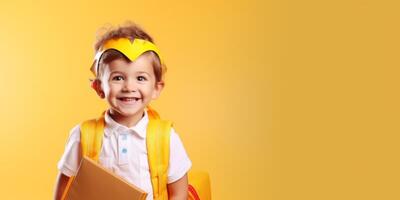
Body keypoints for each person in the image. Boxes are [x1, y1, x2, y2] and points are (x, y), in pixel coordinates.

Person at [54, 22, 192, 200]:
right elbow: (65, 187)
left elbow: (179, 192)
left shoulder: (166, 137)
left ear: (157, 88)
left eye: (140, 78)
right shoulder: (83, 135)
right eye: (117, 77)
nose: (129, 86)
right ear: (98, 87)